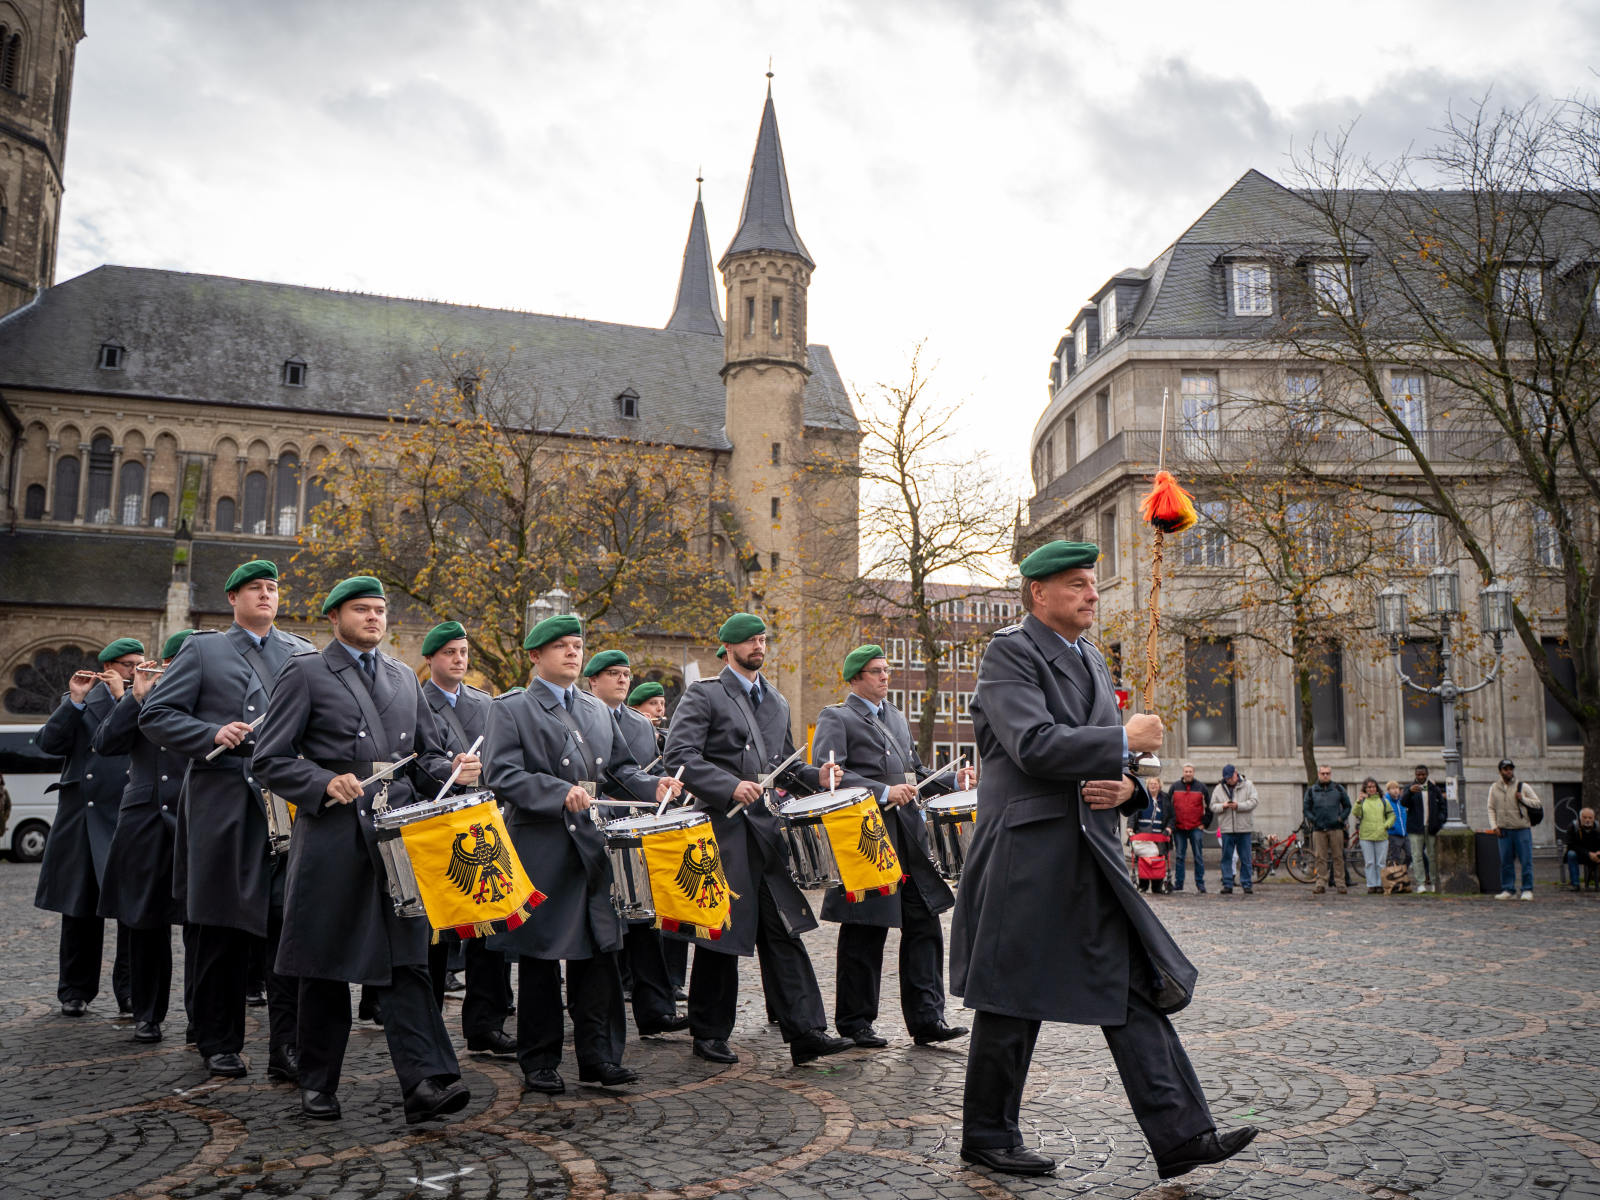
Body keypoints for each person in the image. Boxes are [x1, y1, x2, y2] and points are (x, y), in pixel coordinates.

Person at [950, 540, 1255, 1179]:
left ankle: (1182, 1135)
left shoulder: (1088, 655)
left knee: (1130, 991)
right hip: (1027, 854)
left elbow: (1107, 766)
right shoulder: (1010, 653)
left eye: (1093, 583)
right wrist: (1123, 736)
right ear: (1039, 593)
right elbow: (1033, 745)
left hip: (1090, 851)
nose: (1093, 594)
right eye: (1078, 585)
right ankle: (987, 1133)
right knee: (1011, 998)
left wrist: (1131, 786)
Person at [253, 575, 481, 1123]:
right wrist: (321, 782)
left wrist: (453, 770)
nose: (374, 618)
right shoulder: (305, 672)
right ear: (334, 617)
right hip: (333, 835)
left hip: (396, 839)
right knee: (324, 964)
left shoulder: (406, 677)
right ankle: (317, 1082)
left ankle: (426, 1083)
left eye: (380, 610)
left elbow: (424, 759)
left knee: (408, 963)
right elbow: (267, 758)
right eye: (362, 610)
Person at [484, 618, 682, 1096]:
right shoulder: (513, 708)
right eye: (560, 647)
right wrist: (557, 791)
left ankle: (599, 1057)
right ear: (535, 655)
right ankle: (540, 1060)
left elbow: (618, 769)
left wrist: (648, 784)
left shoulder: (595, 710)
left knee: (599, 955)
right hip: (543, 845)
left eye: (577, 646)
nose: (572, 654)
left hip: (593, 846)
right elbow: (501, 773)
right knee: (542, 959)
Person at [142, 560, 312, 1080]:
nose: (266, 596)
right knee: (221, 927)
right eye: (255, 589)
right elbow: (156, 716)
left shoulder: (302, 653)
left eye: (272, 589)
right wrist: (211, 733)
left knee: (287, 926)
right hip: (223, 799)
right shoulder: (203, 649)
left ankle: (289, 1046)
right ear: (233, 598)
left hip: (287, 799)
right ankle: (217, 1039)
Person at [661, 613, 854, 1068]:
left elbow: (783, 767)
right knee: (722, 931)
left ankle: (806, 1031)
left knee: (782, 927)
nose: (758, 646)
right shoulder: (704, 693)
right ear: (728, 647)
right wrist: (728, 784)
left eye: (763, 639)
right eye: (750, 640)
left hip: (765, 831)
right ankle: (708, 1032)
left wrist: (817, 776)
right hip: (722, 829)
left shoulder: (778, 701)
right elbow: (679, 755)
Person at [811, 644, 974, 1048]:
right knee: (865, 931)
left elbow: (915, 772)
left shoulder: (897, 718)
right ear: (855, 677)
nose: (885, 676)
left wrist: (952, 782)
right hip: (866, 839)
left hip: (908, 839)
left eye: (886, 670)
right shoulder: (837, 716)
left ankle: (927, 1019)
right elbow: (829, 776)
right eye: (876, 671)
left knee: (924, 924)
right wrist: (883, 791)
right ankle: (855, 1021)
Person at [417, 620, 515, 1058]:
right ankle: (428, 1024)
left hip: (482, 822)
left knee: (488, 927)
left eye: (463, 652)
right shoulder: (416, 701)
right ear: (431, 659)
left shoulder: (485, 704)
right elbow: (415, 760)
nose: (460, 660)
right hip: (437, 828)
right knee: (436, 934)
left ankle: (485, 1024)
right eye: (450, 653)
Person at [93, 631, 194, 1042]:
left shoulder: (214, 695)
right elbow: (105, 744)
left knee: (203, 927)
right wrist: (133, 698)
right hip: (145, 820)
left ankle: (203, 1022)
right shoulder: (143, 693)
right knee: (144, 921)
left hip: (197, 816)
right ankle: (146, 1014)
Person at [584, 648, 690, 1040]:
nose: (622, 680)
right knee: (605, 927)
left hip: (636, 833)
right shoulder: (583, 713)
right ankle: (599, 1011)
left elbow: (643, 771)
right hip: (595, 831)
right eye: (613, 673)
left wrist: (661, 786)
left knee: (646, 922)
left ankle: (657, 1009)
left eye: (626, 673)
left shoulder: (639, 723)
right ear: (592, 681)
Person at [35, 637, 141, 1017]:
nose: (135, 672)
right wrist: (76, 699)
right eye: (128, 665)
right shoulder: (80, 700)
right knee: (79, 910)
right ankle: (75, 990)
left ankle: (131, 993)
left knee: (133, 912)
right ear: (108, 666)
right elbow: (49, 743)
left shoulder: (144, 700)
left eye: (139, 664)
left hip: (129, 814)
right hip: (85, 817)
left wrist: (126, 699)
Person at [629, 680, 687, 1000]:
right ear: (637, 709)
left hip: (667, 822)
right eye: (653, 704)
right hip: (639, 822)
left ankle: (674, 979)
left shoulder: (668, 740)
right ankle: (633, 979)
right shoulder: (627, 734)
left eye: (662, 704)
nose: (660, 710)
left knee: (674, 899)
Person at [1486, 758, 1541, 901]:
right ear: (1500, 771)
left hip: (1521, 829)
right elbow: (1491, 808)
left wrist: (1523, 798)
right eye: (1506, 769)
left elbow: (1537, 804)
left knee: (1526, 860)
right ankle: (1508, 889)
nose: (1509, 771)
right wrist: (1494, 826)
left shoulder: (1522, 786)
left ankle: (1527, 889)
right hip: (1503, 830)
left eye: (1511, 769)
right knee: (1505, 861)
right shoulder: (1494, 788)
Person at [1303, 765, 1351, 895]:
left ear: (1330, 774)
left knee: (1338, 857)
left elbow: (1347, 805)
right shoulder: (1312, 790)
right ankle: (1320, 884)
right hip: (1318, 829)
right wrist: (1314, 819)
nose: (1325, 776)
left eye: (1327, 773)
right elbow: (1306, 808)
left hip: (1335, 828)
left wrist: (1340, 818)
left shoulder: (1338, 789)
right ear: (1318, 774)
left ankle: (1340, 884)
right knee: (1320, 857)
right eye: (1323, 773)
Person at [1209, 765, 1257, 896]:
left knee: (1245, 858)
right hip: (1227, 828)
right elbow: (1212, 806)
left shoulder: (1248, 785)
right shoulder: (1219, 788)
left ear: (1236, 773)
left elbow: (1254, 802)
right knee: (1226, 858)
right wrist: (1223, 806)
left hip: (1244, 828)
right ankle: (1227, 884)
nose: (1229, 780)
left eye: (1231, 777)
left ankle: (1246, 884)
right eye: (1227, 778)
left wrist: (1239, 806)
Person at [1130, 772, 1175, 895]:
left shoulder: (1165, 799)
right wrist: (1130, 828)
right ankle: (1143, 885)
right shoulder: (1142, 797)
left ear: (1159, 785)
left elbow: (1172, 817)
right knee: (1144, 861)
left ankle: (1157, 886)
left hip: (1160, 835)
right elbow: (1133, 814)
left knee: (1158, 860)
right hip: (1143, 835)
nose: (1153, 786)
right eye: (1151, 784)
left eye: (1155, 784)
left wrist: (1169, 829)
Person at [1406, 765, 1449, 892]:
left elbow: (1443, 807)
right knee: (1417, 856)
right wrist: (1409, 792)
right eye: (1418, 774)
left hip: (1432, 827)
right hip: (1415, 827)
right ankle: (1420, 884)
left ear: (1427, 774)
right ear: (1415, 775)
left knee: (1433, 855)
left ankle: (1434, 882)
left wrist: (1438, 819)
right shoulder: (1410, 788)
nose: (1421, 777)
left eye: (1423, 774)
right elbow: (1403, 803)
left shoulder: (1433, 789)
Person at [1168, 764, 1208, 894]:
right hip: (1179, 828)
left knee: (1198, 857)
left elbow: (1210, 807)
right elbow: (1169, 807)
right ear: (1183, 773)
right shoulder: (1174, 787)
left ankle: (1200, 884)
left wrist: (1204, 824)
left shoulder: (1202, 788)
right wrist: (1172, 824)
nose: (1188, 773)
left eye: (1190, 771)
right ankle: (1179, 883)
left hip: (1196, 827)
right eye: (1186, 771)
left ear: (1194, 773)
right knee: (1179, 857)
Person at [1351, 778, 1394, 894]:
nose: (1371, 789)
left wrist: (1385, 825)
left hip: (1381, 835)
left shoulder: (1383, 801)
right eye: (1369, 787)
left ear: (1377, 788)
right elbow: (1355, 813)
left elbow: (1391, 816)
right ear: (1365, 789)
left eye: (1373, 786)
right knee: (1369, 862)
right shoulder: (1363, 801)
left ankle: (1380, 884)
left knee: (1381, 862)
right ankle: (1371, 884)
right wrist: (1359, 801)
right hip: (1366, 835)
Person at [1565, 807, 1599, 891]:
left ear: (1593, 818)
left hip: (1595, 854)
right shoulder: (1573, 827)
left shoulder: (1598, 827)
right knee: (1571, 854)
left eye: (1590, 817)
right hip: (1578, 854)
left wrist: (1598, 852)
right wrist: (1588, 854)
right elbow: (1571, 845)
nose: (1587, 819)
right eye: (1585, 817)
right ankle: (1575, 883)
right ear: (1580, 818)